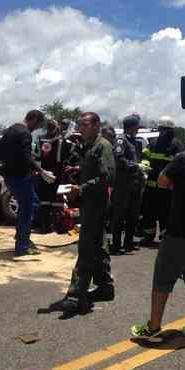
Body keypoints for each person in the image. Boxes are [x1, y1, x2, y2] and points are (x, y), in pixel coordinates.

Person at [131, 117, 185, 344]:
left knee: (162, 279)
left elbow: (162, 181)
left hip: (182, 230)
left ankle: (153, 327)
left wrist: (176, 185)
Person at [60, 112, 115, 314]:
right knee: (98, 245)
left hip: (97, 204)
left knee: (86, 249)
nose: (80, 128)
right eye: (80, 125)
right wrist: (78, 171)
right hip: (90, 203)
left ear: (96, 125)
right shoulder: (90, 147)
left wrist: (80, 189)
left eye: (84, 124)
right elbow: (93, 171)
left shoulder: (103, 146)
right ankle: (105, 288)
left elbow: (106, 178)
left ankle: (76, 296)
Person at [0, 110, 51, 256]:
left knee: (31, 203)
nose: (37, 128)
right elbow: (26, 157)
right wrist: (42, 171)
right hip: (20, 177)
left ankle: (21, 236)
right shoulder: (25, 133)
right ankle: (22, 246)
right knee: (28, 208)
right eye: (38, 124)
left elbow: (0, 152)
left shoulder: (10, 130)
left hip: (9, 176)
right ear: (32, 119)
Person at [140, 116, 185, 244]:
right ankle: (148, 236)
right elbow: (145, 156)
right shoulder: (153, 143)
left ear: (171, 130)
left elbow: (180, 164)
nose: (162, 132)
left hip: (167, 188)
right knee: (149, 213)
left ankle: (166, 237)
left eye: (165, 130)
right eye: (161, 129)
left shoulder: (177, 145)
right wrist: (144, 164)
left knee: (166, 213)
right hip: (151, 187)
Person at [110, 115, 144, 255]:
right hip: (123, 184)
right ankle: (116, 245)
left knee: (133, 215)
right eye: (137, 126)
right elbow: (118, 159)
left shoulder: (135, 141)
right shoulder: (120, 140)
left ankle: (128, 243)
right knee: (119, 215)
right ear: (131, 126)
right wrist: (135, 166)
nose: (138, 129)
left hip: (135, 184)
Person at [36, 119, 75, 233]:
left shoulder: (40, 140)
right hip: (58, 172)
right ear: (57, 127)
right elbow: (73, 152)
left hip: (44, 172)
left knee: (44, 200)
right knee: (57, 200)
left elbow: (36, 156)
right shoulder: (63, 140)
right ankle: (58, 226)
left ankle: (44, 226)